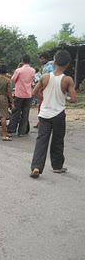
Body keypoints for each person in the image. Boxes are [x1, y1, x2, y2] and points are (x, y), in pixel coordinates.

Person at [30, 50, 77, 178]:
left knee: (41, 140)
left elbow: (34, 92)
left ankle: (36, 167)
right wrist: (64, 98)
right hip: (58, 114)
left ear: (54, 62)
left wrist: (44, 97)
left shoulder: (45, 77)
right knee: (57, 140)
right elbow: (74, 99)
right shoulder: (67, 79)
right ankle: (57, 166)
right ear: (68, 64)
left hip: (44, 114)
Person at [7, 55, 35, 136]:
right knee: (25, 113)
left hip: (19, 94)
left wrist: (17, 68)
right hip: (28, 94)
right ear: (29, 61)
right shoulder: (33, 70)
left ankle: (12, 129)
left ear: (22, 61)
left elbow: (13, 79)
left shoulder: (19, 70)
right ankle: (22, 132)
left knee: (16, 112)